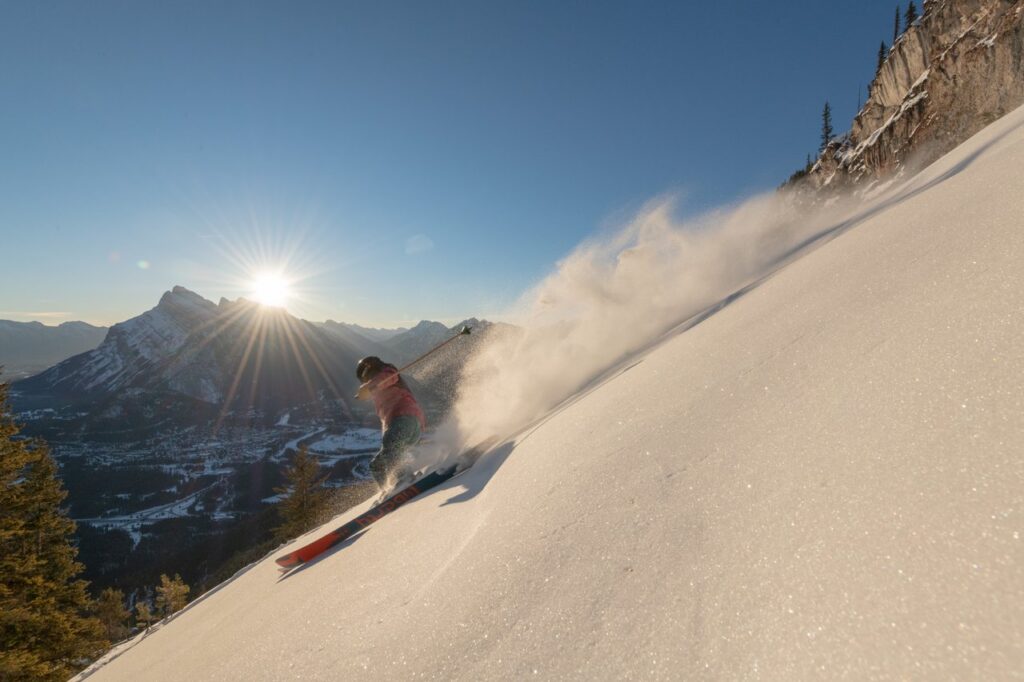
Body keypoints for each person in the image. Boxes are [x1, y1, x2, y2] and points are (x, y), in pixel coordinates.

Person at [354, 356, 426, 490]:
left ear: (369, 370)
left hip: (406, 418)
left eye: (364, 378)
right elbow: (387, 423)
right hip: (402, 426)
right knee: (376, 465)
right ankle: (387, 490)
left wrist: (368, 387)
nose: (365, 381)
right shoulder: (378, 392)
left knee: (391, 447)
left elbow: (385, 378)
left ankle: (406, 480)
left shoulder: (388, 372)